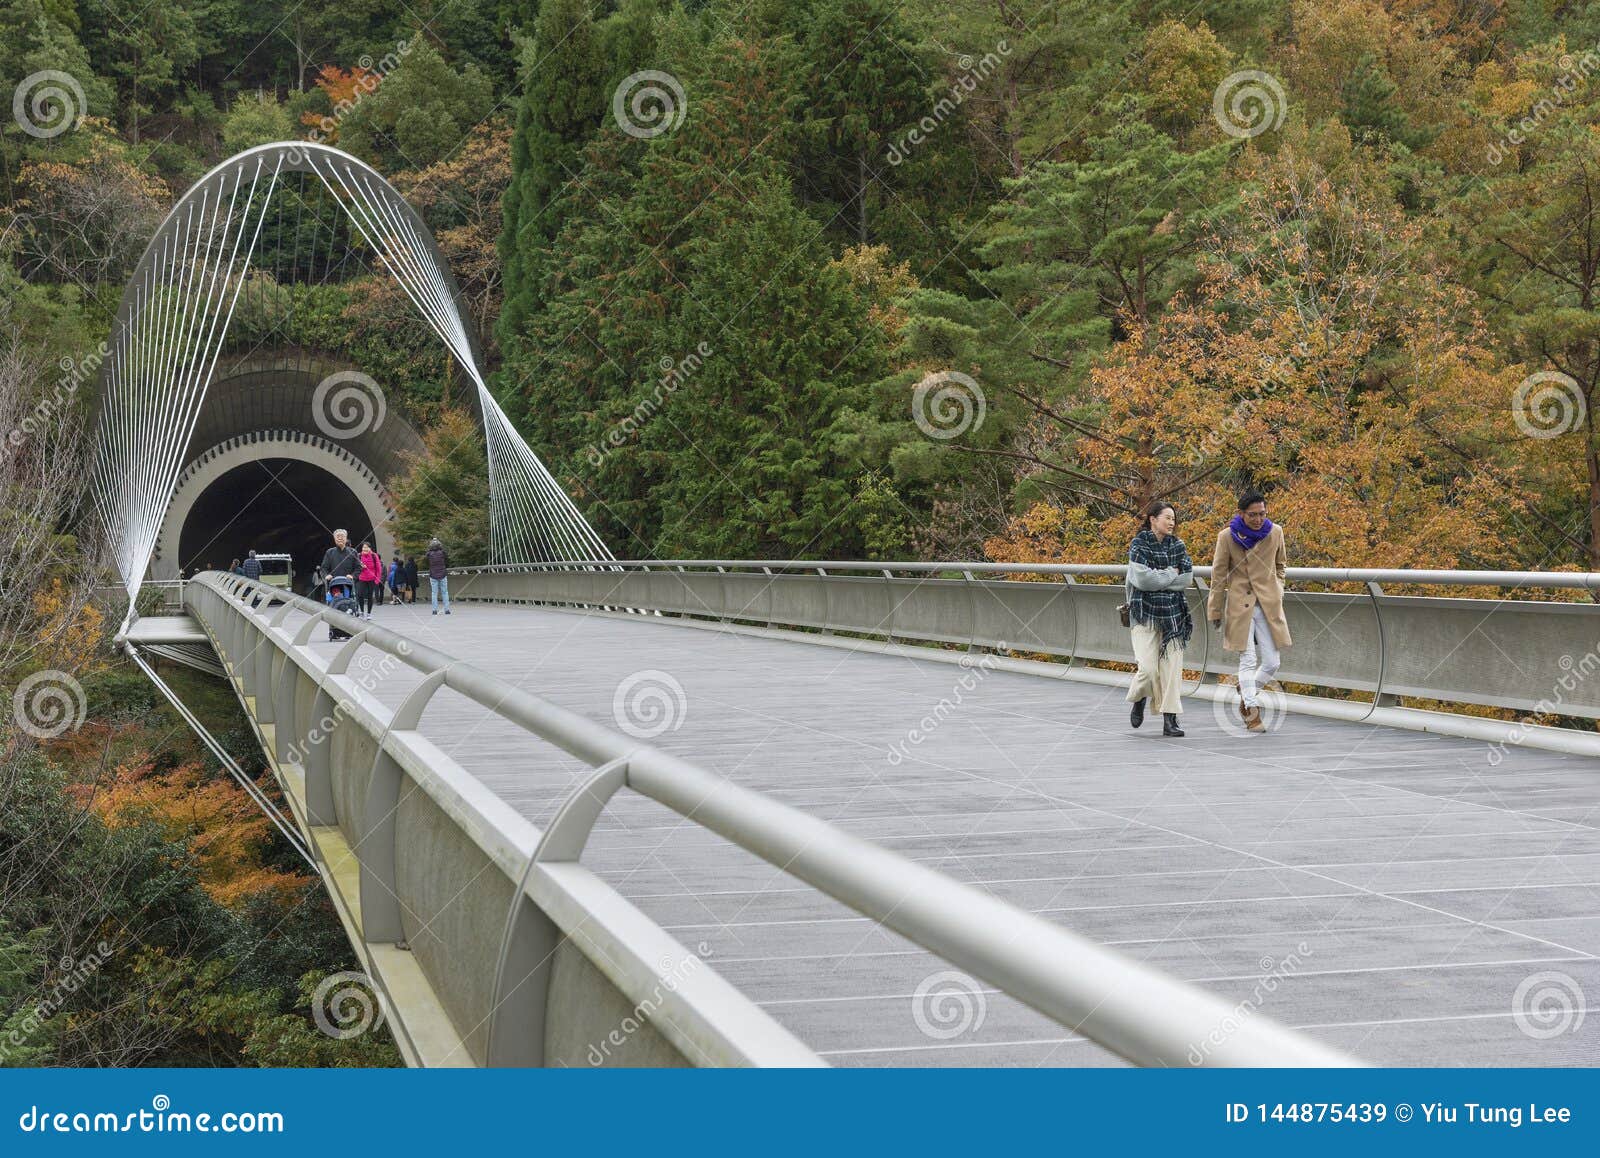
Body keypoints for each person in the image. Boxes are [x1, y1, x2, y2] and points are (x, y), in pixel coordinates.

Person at [1208, 490, 1292, 733]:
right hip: (1239, 605)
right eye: (1253, 515)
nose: (1258, 519)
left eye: (1262, 514)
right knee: (1248, 658)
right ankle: (1251, 712)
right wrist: (1214, 609)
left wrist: (1279, 589)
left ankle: (1247, 690)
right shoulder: (1227, 537)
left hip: (1268, 605)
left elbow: (1281, 565)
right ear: (1241, 514)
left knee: (1273, 662)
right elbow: (1218, 575)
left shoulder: (1275, 532)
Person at [1125, 500, 1194, 737]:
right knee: (1147, 669)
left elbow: (1186, 578)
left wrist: (1161, 577)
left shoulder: (1178, 546)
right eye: (1167, 517)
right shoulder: (1139, 544)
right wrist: (1169, 573)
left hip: (1174, 616)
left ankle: (1170, 720)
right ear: (1153, 519)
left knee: (1172, 671)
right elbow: (1142, 581)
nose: (1172, 522)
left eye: (1174, 518)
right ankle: (1140, 696)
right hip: (1144, 614)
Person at [355, 541, 383, 620]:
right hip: (361, 578)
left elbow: (378, 568)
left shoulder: (374, 556)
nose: (365, 549)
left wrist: (377, 580)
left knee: (370, 596)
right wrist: (361, 567)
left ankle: (369, 613)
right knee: (360, 595)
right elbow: (355, 567)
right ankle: (362, 612)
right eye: (364, 547)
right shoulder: (359, 556)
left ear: (370, 548)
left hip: (372, 579)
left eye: (366, 547)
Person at [425, 537, 450, 615]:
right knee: (445, 592)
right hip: (443, 573)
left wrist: (432, 544)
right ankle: (447, 609)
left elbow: (426, 556)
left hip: (433, 574)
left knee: (434, 593)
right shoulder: (442, 552)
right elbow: (447, 558)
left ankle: (434, 610)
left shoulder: (429, 554)